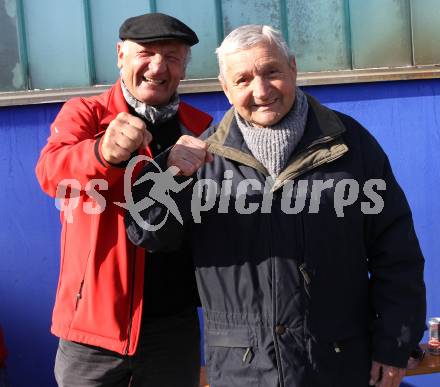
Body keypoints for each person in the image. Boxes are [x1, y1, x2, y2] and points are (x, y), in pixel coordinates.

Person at [126, 24, 426, 387]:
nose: (262, 90)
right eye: (243, 79)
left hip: (338, 365)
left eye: (272, 72)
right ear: (225, 87)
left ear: (293, 68)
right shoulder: (200, 160)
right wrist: (167, 173)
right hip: (245, 370)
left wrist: (394, 344)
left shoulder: (351, 147)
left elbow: (396, 254)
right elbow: (149, 234)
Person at [35, 12, 212, 387]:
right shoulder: (87, 114)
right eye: (145, 53)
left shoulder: (200, 128)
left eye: (173, 56)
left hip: (173, 326)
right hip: (92, 328)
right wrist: (102, 153)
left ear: (184, 67)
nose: (158, 66)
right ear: (120, 56)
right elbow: (51, 174)